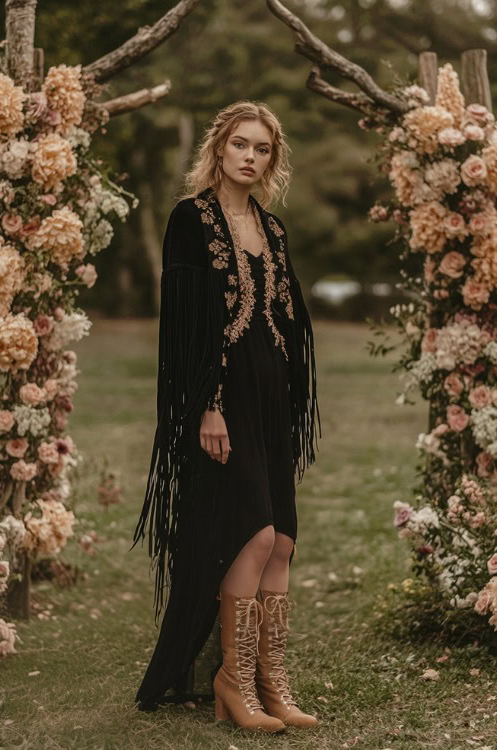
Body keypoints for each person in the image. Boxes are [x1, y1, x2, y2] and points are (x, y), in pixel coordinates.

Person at [132, 100, 321, 732]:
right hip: (224, 401)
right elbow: (186, 327)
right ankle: (233, 683)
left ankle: (273, 687)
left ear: (272, 158)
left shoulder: (271, 228)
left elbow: (284, 323)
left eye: (261, 148)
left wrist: (291, 404)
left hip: (270, 402)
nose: (249, 156)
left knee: (283, 540)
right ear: (218, 148)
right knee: (254, 533)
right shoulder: (192, 219)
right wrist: (208, 407)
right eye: (239, 143)